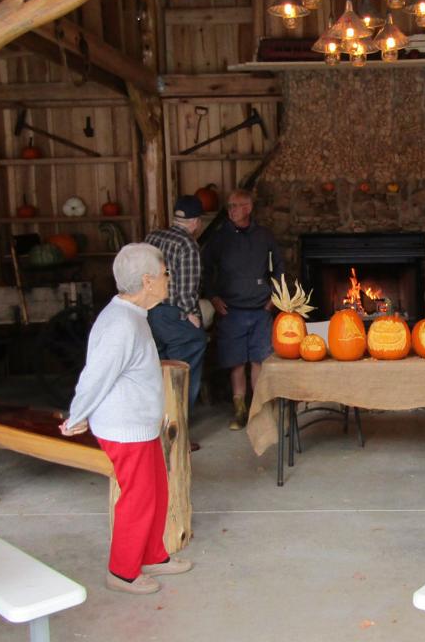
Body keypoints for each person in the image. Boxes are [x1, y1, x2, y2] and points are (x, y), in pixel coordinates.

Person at [61, 243, 192, 595]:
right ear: (148, 281)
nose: (168, 280)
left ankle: (151, 555)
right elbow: (96, 375)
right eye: (165, 274)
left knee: (156, 491)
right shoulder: (120, 323)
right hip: (124, 428)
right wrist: (77, 415)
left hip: (141, 425)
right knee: (137, 497)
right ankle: (122, 571)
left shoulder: (134, 316)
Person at [202, 188, 285, 430]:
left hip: (261, 310)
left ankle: (258, 410)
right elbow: (206, 270)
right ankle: (239, 411)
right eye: (229, 206)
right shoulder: (219, 238)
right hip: (232, 311)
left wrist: (275, 299)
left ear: (248, 208)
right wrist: (213, 297)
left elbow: (279, 267)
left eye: (235, 206)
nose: (231, 210)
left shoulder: (264, 236)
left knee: (259, 361)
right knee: (236, 362)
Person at [145, 194, 207, 445]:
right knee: (185, 364)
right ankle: (177, 432)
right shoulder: (188, 245)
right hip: (170, 315)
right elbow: (187, 290)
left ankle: (154, 429)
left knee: (156, 370)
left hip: (147, 313)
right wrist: (191, 315)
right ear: (196, 222)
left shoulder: (153, 237)